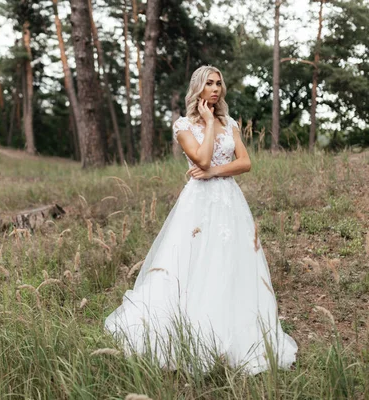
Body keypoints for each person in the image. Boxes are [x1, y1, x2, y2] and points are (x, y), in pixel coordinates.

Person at [104, 65, 298, 375]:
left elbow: (245, 163)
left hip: (229, 202)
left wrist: (216, 171)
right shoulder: (182, 126)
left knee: (231, 262)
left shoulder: (230, 122)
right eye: (209, 83)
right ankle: (190, 335)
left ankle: (233, 331)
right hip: (197, 205)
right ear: (198, 87)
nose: (216, 88)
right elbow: (202, 158)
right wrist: (207, 123)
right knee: (192, 262)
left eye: (219, 83)